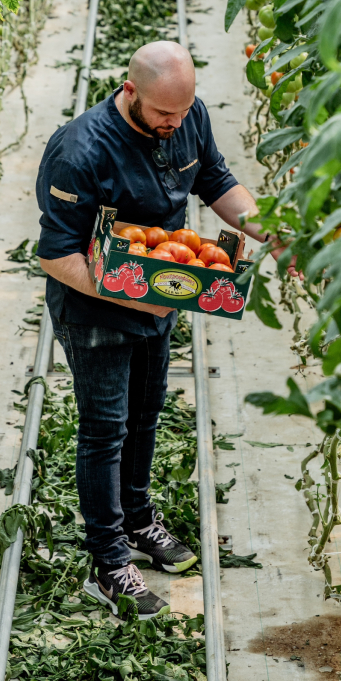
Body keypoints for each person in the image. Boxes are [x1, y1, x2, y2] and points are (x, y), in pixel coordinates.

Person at [36, 40, 292, 619]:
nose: (174, 125)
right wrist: (130, 290)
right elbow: (55, 255)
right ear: (130, 92)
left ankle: (138, 519)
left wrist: (271, 233)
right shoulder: (79, 152)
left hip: (159, 295)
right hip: (96, 308)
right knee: (105, 429)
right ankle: (109, 559)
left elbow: (217, 181)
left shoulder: (187, 117)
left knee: (147, 415)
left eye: (182, 112)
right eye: (162, 115)